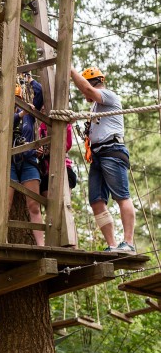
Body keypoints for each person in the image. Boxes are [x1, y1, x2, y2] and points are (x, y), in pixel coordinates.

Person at [70, 66, 135, 252]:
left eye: (85, 87)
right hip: (98, 156)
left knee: (122, 196)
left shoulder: (109, 96)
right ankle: (112, 245)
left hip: (112, 151)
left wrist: (70, 71)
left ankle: (129, 242)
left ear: (94, 83)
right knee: (96, 201)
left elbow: (88, 90)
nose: (84, 94)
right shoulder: (95, 107)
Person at [0, 74, 45, 245]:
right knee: (5, 206)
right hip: (10, 165)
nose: (16, 103)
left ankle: (41, 245)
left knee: (34, 206)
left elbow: (41, 94)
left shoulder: (29, 114)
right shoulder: (1, 117)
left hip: (29, 162)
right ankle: (2, 241)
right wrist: (21, 114)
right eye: (13, 100)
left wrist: (30, 81)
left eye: (18, 99)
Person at [37, 120, 77, 197]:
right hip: (45, 170)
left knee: (63, 201)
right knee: (50, 204)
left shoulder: (64, 124)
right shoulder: (41, 128)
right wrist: (40, 153)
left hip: (63, 166)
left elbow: (66, 146)